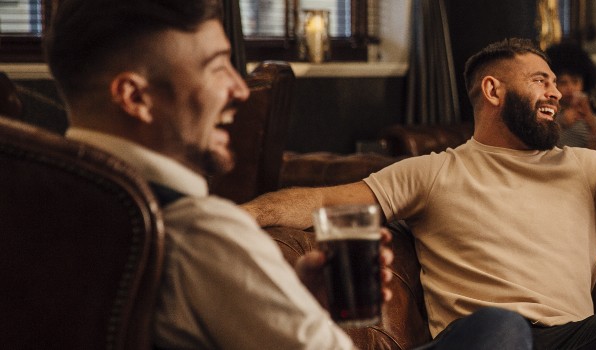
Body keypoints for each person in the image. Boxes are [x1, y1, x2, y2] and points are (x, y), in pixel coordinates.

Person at [43, 0, 530, 349]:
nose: (240, 89)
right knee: (501, 329)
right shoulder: (202, 235)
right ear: (135, 97)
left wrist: (297, 299)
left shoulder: (36, 206)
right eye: (217, 67)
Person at [241, 38, 596, 350]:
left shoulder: (589, 168)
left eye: (555, 83)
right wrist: (240, 215)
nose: (557, 93)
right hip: (477, 338)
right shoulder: (433, 172)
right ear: (494, 91)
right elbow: (326, 202)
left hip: (565, 337)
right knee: (503, 328)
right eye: (541, 81)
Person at [545, 42, 596, 150]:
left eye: (575, 81)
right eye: (563, 82)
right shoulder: (545, 117)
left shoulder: (595, 120)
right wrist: (561, 124)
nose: (570, 88)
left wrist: (591, 121)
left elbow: (594, 153)